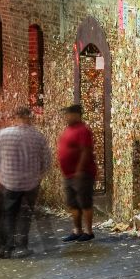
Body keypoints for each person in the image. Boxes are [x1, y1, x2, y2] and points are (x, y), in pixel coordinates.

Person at [0, 106, 50, 258]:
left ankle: (7, 247)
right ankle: (22, 246)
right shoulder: (38, 136)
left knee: (8, 215)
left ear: (14, 117)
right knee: (25, 215)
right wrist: (40, 175)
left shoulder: (3, 134)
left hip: (9, 182)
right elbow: (47, 160)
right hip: (31, 183)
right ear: (30, 118)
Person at [57, 104, 98, 242]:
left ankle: (89, 231)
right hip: (69, 175)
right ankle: (77, 230)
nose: (66, 117)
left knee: (84, 202)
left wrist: (79, 170)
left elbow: (85, 150)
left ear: (76, 115)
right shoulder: (68, 129)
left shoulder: (83, 130)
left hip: (82, 174)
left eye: (68, 114)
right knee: (73, 203)